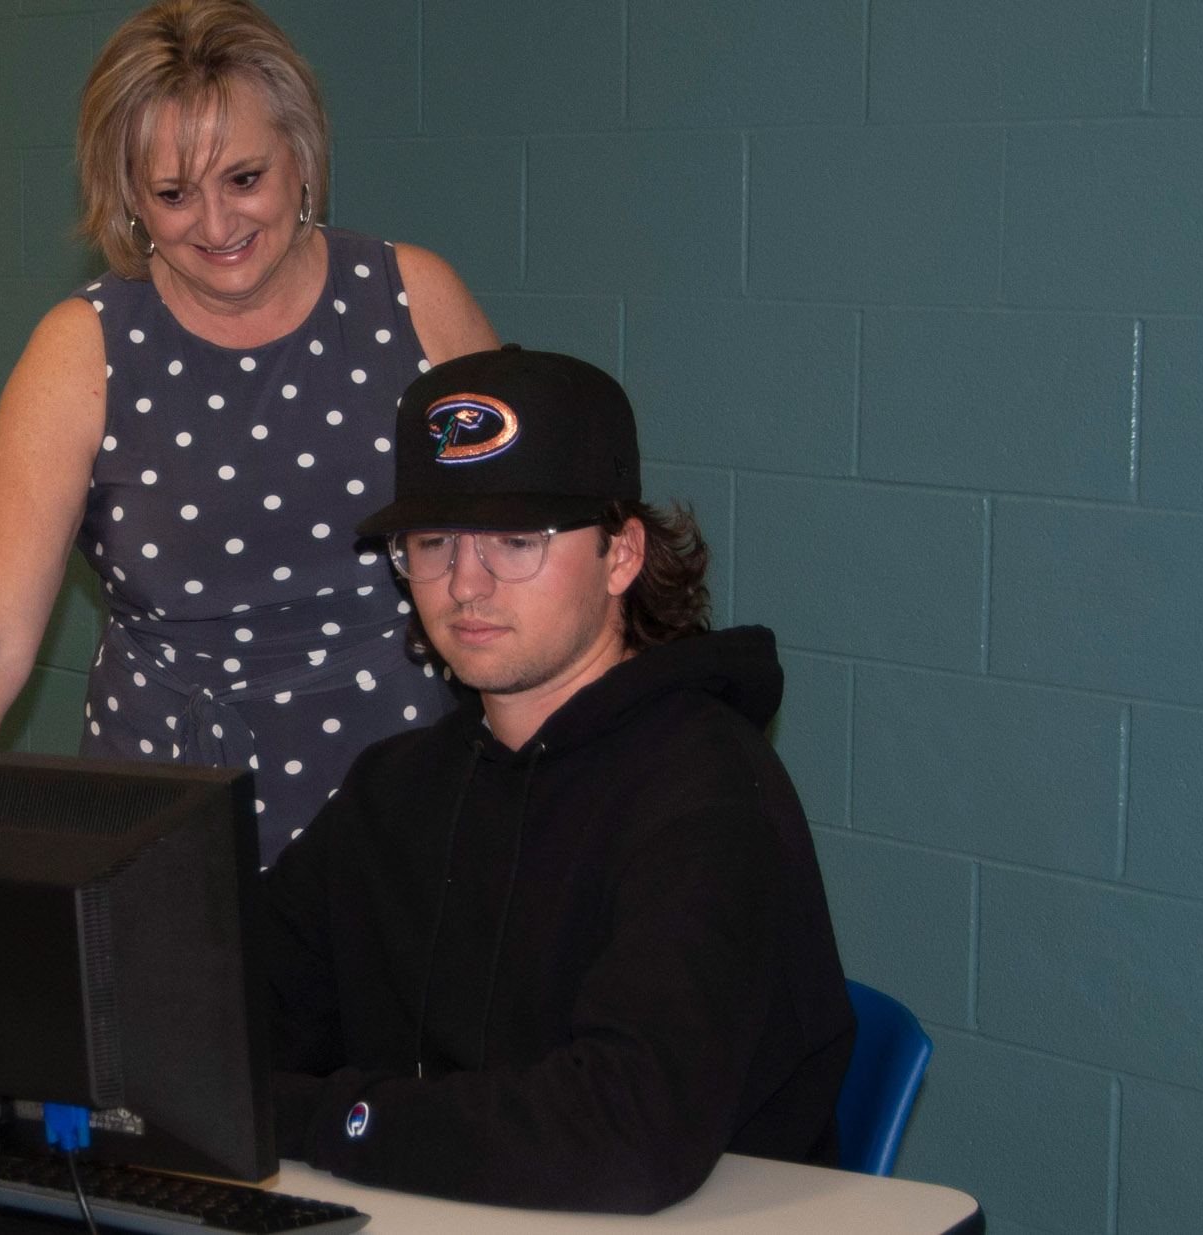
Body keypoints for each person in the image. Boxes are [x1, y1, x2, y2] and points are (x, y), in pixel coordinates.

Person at [0, 0, 500, 867]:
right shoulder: (82, 350)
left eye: (244, 179)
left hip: (410, 818)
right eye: (174, 194)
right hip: (170, 828)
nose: (216, 228)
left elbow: (531, 552)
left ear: (302, 156)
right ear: (129, 196)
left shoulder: (412, 300)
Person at [259, 347, 856, 1212]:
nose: (467, 583)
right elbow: (231, 1010)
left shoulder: (707, 789)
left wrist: (335, 1117)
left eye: (516, 540)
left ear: (622, 555)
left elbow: (627, 1133)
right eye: (432, 543)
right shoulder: (397, 790)